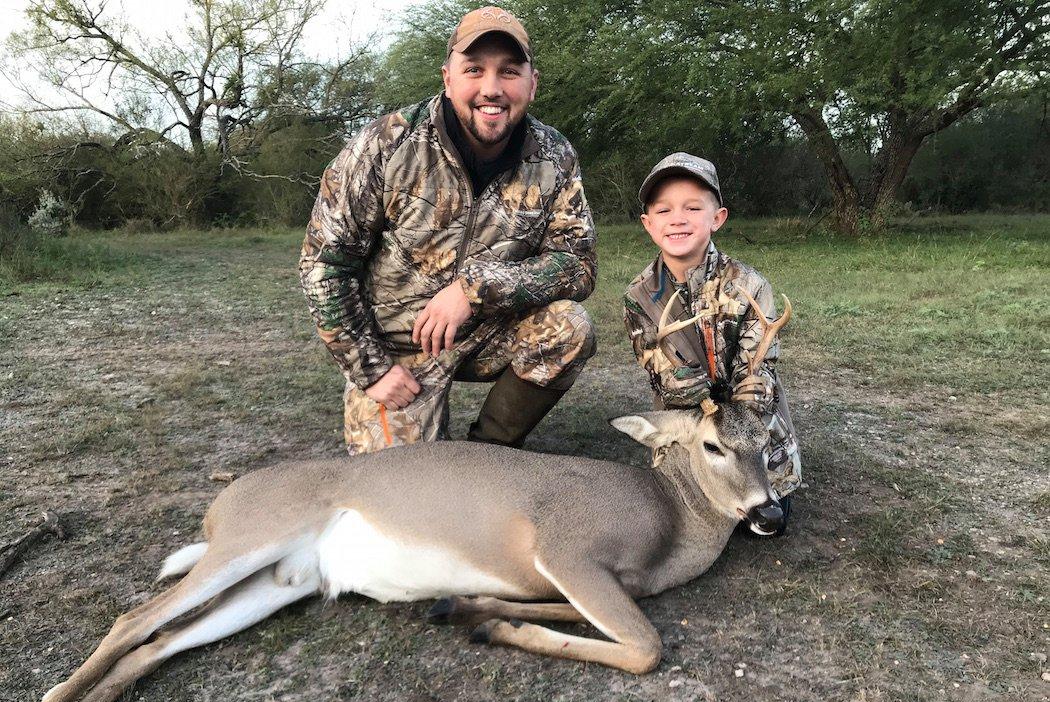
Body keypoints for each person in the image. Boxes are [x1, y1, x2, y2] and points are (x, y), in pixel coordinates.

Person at [300, 6, 596, 455]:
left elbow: (578, 264)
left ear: (532, 83)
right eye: (474, 70)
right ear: (447, 77)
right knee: (402, 496)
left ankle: (486, 453)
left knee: (569, 329)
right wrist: (372, 371)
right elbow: (325, 264)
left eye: (509, 71)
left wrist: (474, 288)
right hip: (396, 348)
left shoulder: (553, 155)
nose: (491, 88)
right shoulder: (386, 144)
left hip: (488, 331)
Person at [623, 153, 802, 534]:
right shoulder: (640, 296)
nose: (677, 218)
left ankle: (764, 476)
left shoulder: (749, 285)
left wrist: (755, 391)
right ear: (648, 224)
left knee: (770, 518)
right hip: (690, 411)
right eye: (664, 210)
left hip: (746, 411)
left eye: (692, 207)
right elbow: (658, 369)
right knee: (681, 509)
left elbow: (759, 361)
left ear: (717, 218)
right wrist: (684, 388)